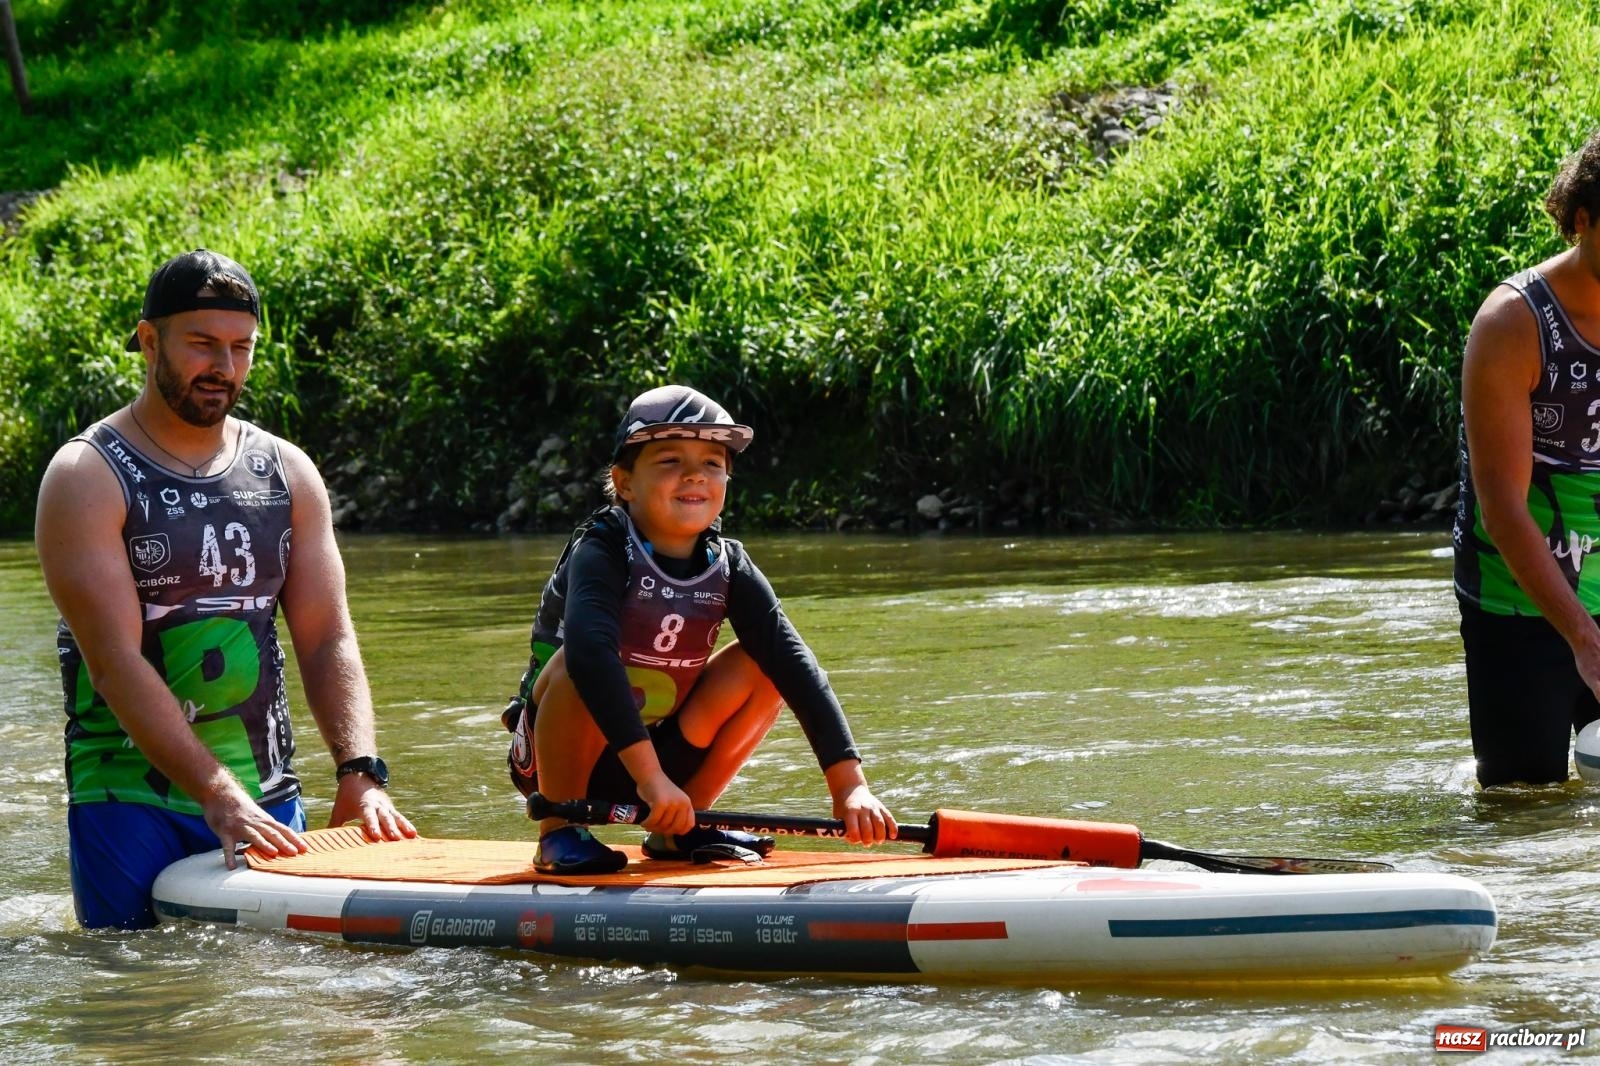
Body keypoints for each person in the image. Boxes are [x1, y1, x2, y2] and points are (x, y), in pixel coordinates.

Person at [34, 249, 416, 929]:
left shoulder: (287, 472)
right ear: (150, 341)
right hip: (128, 800)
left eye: (242, 348)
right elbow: (113, 663)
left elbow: (327, 634)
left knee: (280, 1009)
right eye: (203, 345)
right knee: (137, 1000)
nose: (225, 367)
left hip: (269, 799)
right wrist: (216, 794)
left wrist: (360, 770)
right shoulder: (85, 476)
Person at [502, 385, 898, 872]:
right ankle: (558, 834)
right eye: (669, 460)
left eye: (713, 463)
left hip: (665, 764)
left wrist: (849, 785)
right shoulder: (602, 549)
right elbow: (588, 656)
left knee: (763, 664)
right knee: (577, 660)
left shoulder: (730, 563)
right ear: (624, 483)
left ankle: (681, 827)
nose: (694, 474)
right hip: (559, 763)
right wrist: (649, 781)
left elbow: (798, 668)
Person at [1455, 130, 1600, 787]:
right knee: (1522, 804)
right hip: (1518, 600)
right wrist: (1584, 636)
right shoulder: (1511, 325)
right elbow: (1504, 507)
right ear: (1582, 220)